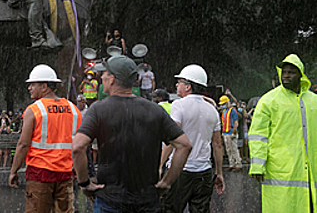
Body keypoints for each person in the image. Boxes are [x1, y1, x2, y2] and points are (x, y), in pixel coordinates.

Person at [72, 56, 192, 213]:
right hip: (147, 201)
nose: (102, 77)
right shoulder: (154, 110)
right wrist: (167, 182)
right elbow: (184, 145)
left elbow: (78, 147)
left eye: (105, 74)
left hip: (110, 200)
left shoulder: (98, 110)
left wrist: (84, 183)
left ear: (112, 79)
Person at [9, 64, 82, 212]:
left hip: (39, 173)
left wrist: (13, 171)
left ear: (44, 86)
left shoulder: (34, 110)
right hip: (65, 174)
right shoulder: (73, 110)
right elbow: (80, 145)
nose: (29, 88)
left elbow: (23, 144)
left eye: (32, 84)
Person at [249, 54, 317, 212]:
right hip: (280, 169)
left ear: (301, 75)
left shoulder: (313, 101)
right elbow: (258, 135)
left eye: (291, 72)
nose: (285, 76)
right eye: (284, 72)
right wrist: (258, 165)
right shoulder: (269, 100)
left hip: (311, 169)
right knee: (282, 206)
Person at [160, 64, 225, 213]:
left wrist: (159, 165)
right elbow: (217, 145)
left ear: (188, 86)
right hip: (204, 173)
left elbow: (172, 140)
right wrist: (219, 173)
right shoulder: (212, 110)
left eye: (180, 81)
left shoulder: (178, 106)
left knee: (170, 209)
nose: (177, 85)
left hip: (180, 171)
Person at [218, 94, 242, 171]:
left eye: (223, 104)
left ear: (227, 103)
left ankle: (238, 164)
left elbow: (235, 121)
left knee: (234, 149)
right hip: (226, 132)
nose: (222, 105)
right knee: (228, 149)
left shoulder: (233, 110)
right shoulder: (224, 111)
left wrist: (234, 132)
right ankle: (232, 164)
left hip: (231, 131)